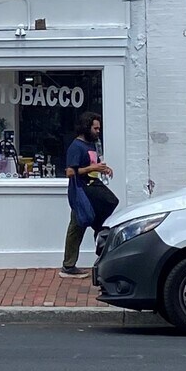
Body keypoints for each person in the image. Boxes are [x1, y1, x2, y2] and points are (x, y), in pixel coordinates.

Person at [61, 112, 115, 276]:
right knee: (77, 225)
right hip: (81, 192)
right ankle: (68, 266)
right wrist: (92, 168)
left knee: (108, 209)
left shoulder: (92, 145)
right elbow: (70, 172)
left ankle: (101, 260)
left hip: (93, 189)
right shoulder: (76, 147)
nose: (98, 131)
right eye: (95, 128)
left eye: (99, 128)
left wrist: (104, 168)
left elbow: (94, 164)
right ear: (86, 127)